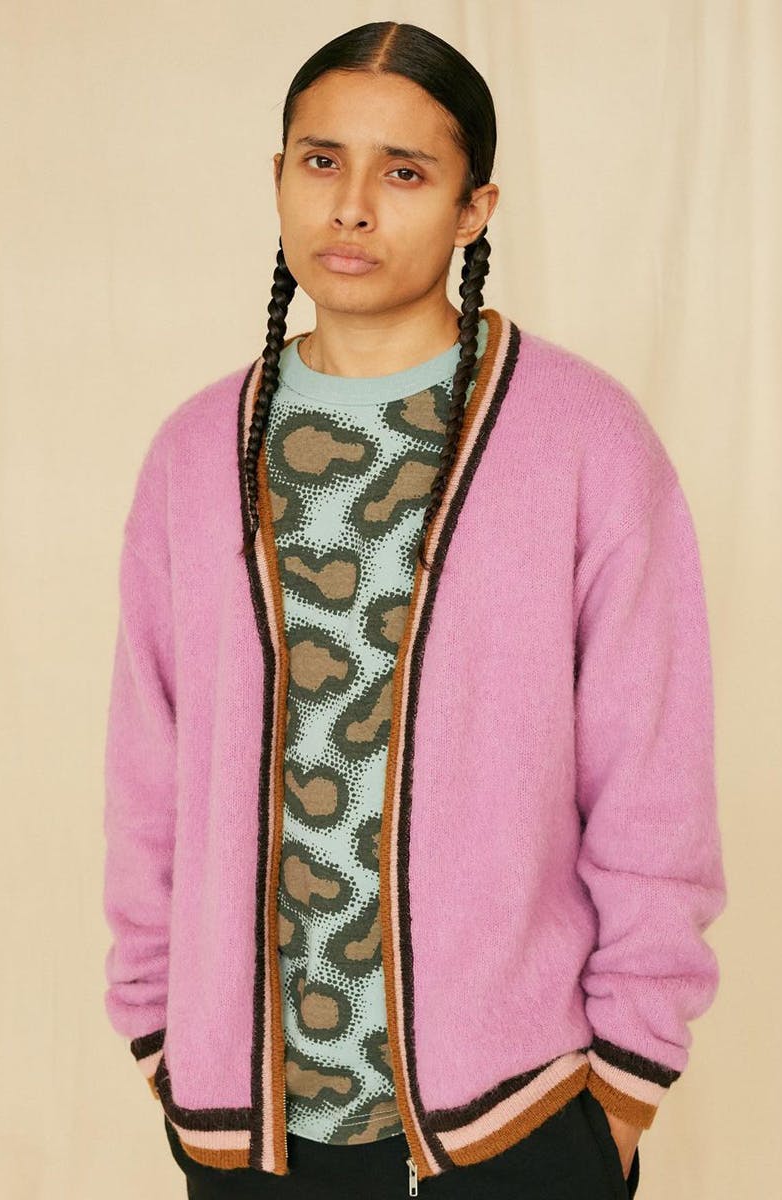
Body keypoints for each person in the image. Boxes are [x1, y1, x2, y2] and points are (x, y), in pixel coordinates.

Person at [102, 19, 727, 1199]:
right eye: (321, 160)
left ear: (473, 207)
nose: (350, 207)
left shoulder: (585, 441)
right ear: (278, 177)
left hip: (519, 1112)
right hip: (250, 1119)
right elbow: (150, 765)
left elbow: (654, 777)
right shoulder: (196, 453)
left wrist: (626, 1083)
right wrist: (158, 1027)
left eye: (403, 172)